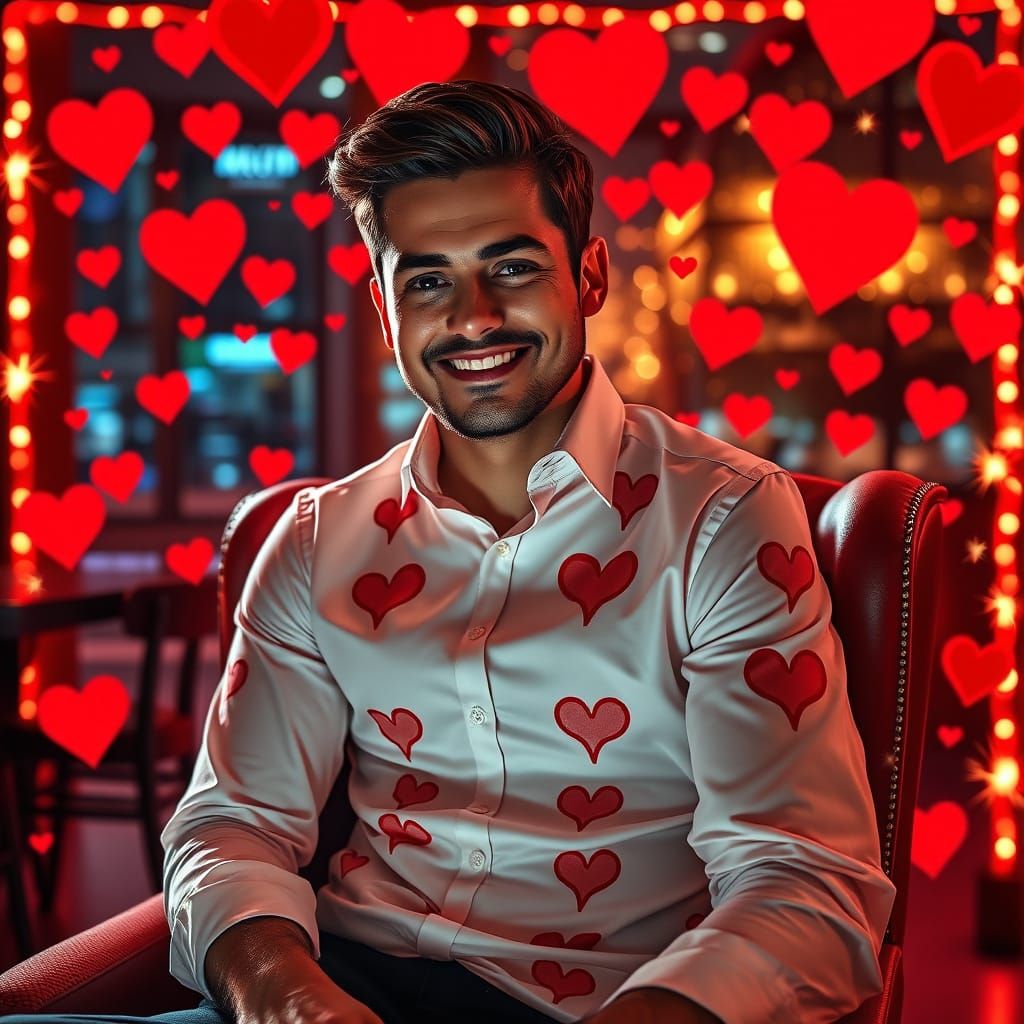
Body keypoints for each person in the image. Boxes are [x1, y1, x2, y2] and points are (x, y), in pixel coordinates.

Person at [2, 79, 896, 1024]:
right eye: (427, 280)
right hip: (337, 986)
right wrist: (287, 998)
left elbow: (804, 884)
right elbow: (232, 829)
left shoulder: (726, 519)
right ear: (387, 311)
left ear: (588, 276)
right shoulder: (314, 542)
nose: (471, 317)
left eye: (511, 267)